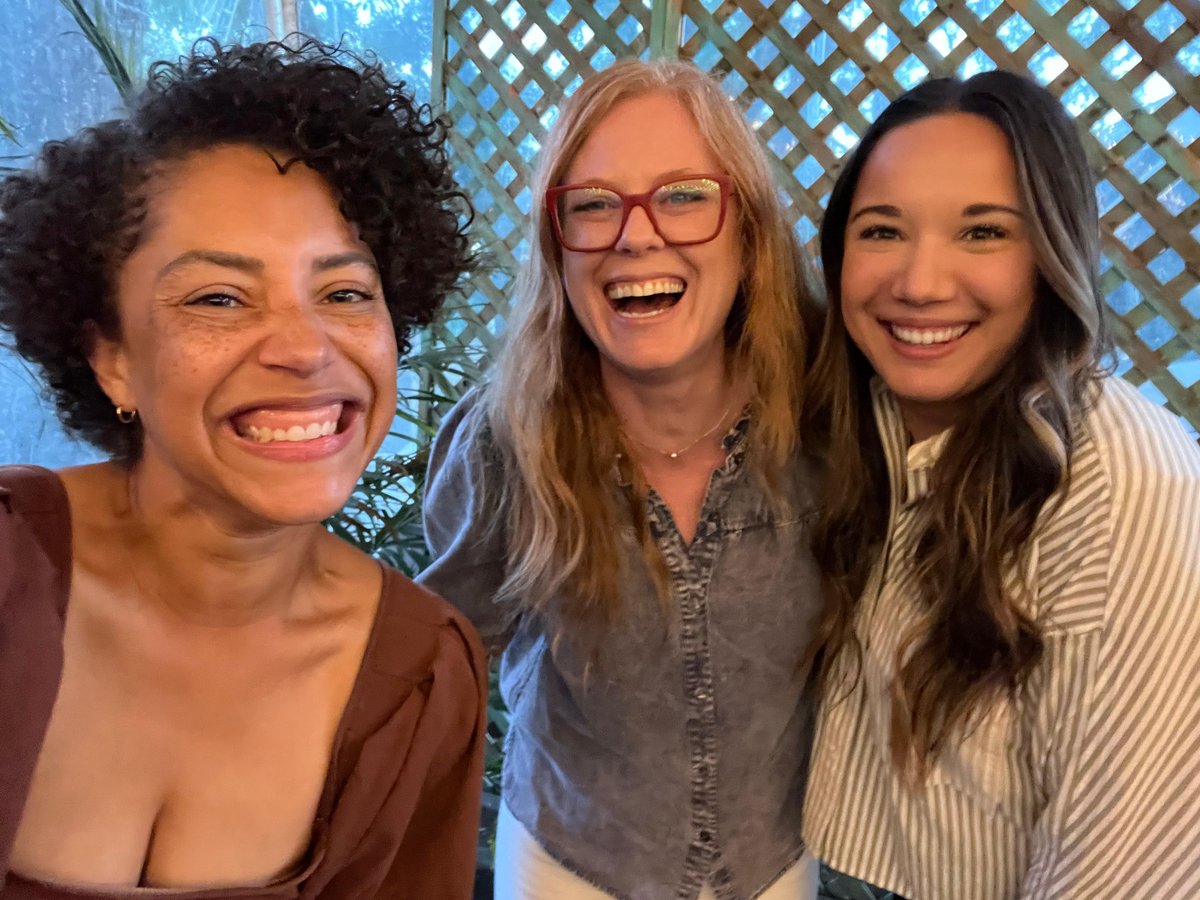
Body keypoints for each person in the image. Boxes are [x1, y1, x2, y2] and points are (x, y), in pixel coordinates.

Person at [0, 39, 487, 898]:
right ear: (111, 357)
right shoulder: (10, 569)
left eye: (344, 294)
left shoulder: (418, 678)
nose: (304, 349)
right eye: (218, 298)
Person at [419, 58, 824, 900]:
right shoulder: (504, 442)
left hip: (774, 869)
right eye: (594, 205)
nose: (636, 235)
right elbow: (437, 663)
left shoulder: (832, 419)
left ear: (748, 233)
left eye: (683, 195)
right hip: (569, 867)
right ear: (556, 250)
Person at [801, 71, 1200, 900]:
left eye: (982, 233)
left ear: (1052, 253)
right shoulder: (855, 426)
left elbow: (1123, 868)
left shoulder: (1123, 484)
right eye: (882, 232)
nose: (919, 282)